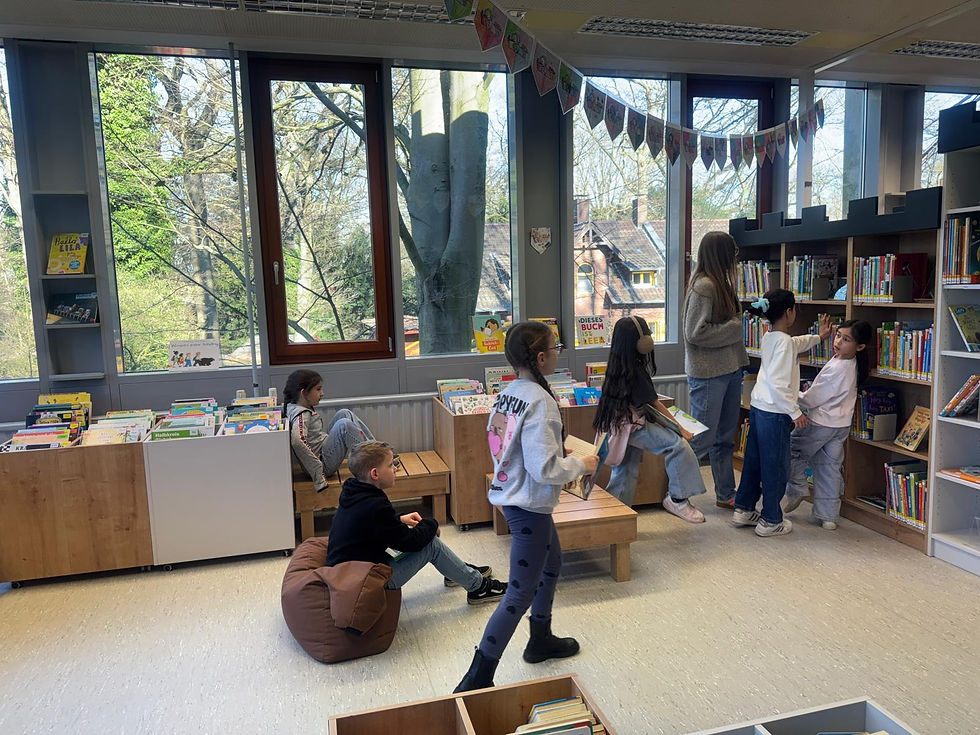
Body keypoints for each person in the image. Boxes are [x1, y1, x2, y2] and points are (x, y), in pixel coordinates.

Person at [454, 321, 599, 693]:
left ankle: (540, 639)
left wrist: (551, 452)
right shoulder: (543, 402)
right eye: (555, 348)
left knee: (552, 565)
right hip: (528, 505)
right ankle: (478, 674)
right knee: (518, 592)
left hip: (516, 497)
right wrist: (581, 465)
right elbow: (546, 469)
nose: (557, 353)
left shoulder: (509, 393)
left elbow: (502, 443)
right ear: (540, 357)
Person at [326, 441, 507, 605]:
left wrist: (399, 520)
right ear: (375, 474)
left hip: (353, 572)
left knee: (423, 537)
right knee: (431, 545)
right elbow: (410, 543)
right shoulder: (374, 505)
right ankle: (479, 588)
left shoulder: (354, 492)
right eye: (391, 465)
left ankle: (457, 572)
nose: (395, 468)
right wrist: (432, 523)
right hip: (367, 582)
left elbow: (373, 526)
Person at [733, 290, 832, 537]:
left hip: (758, 408)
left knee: (754, 462)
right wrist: (795, 412)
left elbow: (796, 343)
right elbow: (779, 383)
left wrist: (819, 337)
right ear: (789, 312)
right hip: (775, 413)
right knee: (776, 467)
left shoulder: (771, 337)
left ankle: (744, 508)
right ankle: (770, 520)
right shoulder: (784, 343)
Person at [593, 315, 708, 522]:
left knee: (625, 470)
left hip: (620, 427)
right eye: (647, 334)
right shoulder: (635, 371)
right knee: (678, 445)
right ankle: (678, 499)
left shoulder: (618, 364)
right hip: (631, 426)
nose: (650, 338)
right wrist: (680, 429)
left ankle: (616, 515)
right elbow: (655, 404)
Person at [783, 319, 872, 530]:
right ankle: (828, 516)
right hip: (840, 426)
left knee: (792, 449)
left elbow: (813, 399)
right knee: (829, 468)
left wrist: (792, 395)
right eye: (838, 335)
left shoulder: (839, 367)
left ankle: (798, 488)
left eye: (846, 339)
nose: (838, 341)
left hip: (820, 423)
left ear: (859, 347)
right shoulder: (852, 364)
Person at [683, 231, 749, 509]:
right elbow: (694, 333)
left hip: (730, 368)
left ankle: (725, 493)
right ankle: (673, 491)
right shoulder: (705, 285)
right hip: (709, 372)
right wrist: (736, 326)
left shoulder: (720, 282)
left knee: (724, 437)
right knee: (703, 437)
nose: (735, 259)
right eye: (731, 253)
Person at [284, 369, 377, 491]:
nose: (322, 393)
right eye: (318, 389)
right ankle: (373, 463)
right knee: (344, 425)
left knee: (344, 413)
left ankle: (378, 451)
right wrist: (318, 472)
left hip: (323, 451)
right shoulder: (302, 415)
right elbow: (297, 441)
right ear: (304, 393)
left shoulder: (295, 407)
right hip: (323, 465)